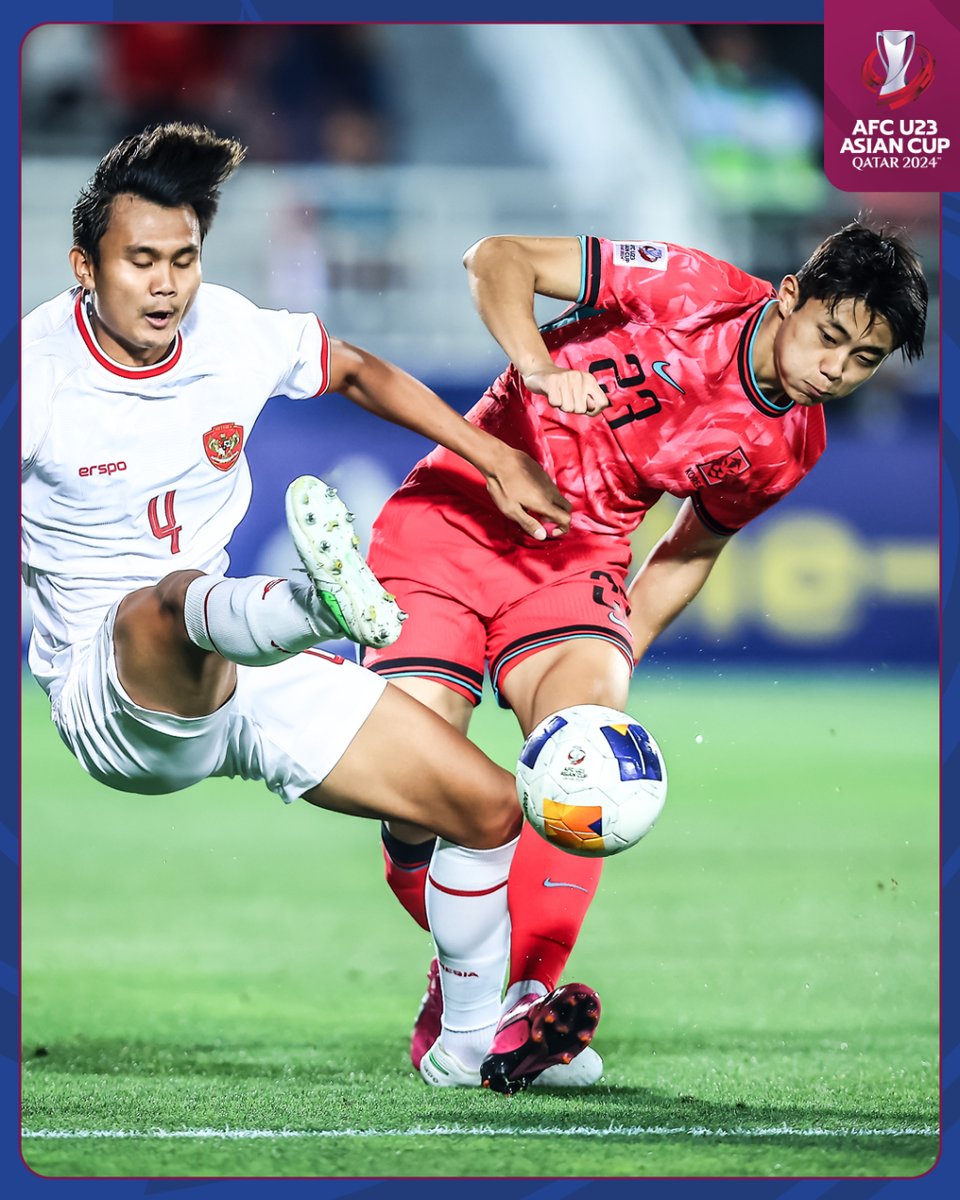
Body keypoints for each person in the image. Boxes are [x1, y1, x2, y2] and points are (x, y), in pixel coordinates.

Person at [20, 122, 575, 1084]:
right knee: (171, 598)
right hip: (114, 689)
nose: (165, 285)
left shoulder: (232, 332)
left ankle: (470, 1042)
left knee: (488, 807)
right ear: (84, 266)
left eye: (184, 259)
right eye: (140, 261)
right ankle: (317, 606)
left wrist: (491, 456)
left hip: (244, 664)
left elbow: (355, 367)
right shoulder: (34, 376)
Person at [363, 220, 928, 1093]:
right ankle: (467, 996)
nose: (836, 369)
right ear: (788, 297)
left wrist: (614, 648)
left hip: (574, 564)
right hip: (453, 519)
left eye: (863, 360)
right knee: (418, 794)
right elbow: (493, 258)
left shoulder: (791, 447)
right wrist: (541, 366)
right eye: (830, 336)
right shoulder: (688, 288)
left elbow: (689, 550)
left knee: (592, 752)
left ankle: (519, 996)